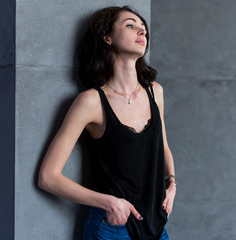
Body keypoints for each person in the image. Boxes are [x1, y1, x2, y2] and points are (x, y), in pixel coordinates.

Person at [38, 6, 176, 240]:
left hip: (155, 227)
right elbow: (48, 177)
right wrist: (108, 202)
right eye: (131, 25)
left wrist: (171, 183)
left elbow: (162, 147)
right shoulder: (91, 101)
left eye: (144, 29)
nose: (141, 32)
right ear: (107, 37)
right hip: (113, 228)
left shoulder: (155, 92)